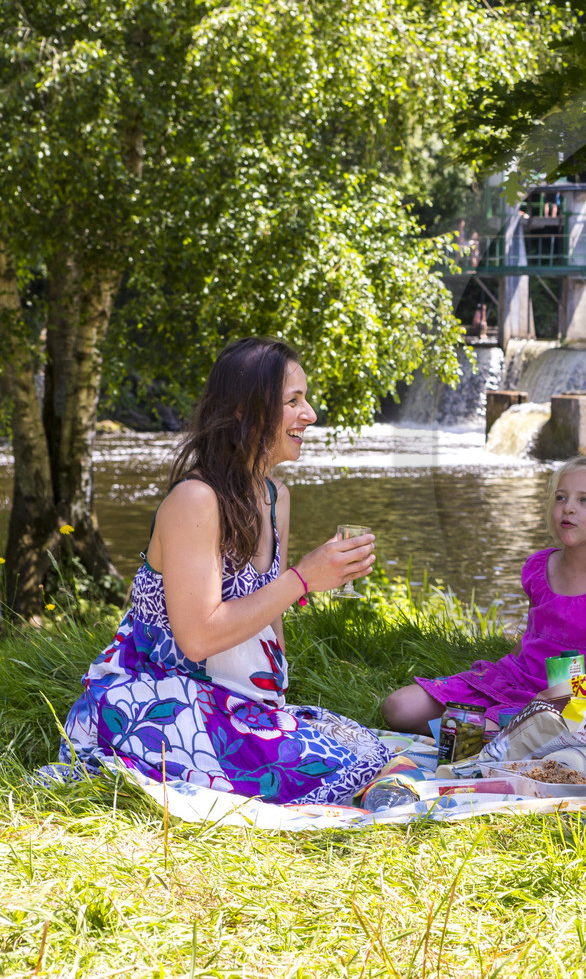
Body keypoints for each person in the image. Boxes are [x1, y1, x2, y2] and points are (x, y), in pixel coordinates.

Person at [57, 338, 390, 805]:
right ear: (243, 412)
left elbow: (269, 626)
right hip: (153, 693)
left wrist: (271, 704)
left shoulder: (275, 497)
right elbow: (197, 638)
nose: (310, 414)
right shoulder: (196, 500)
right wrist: (303, 580)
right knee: (305, 766)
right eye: (293, 401)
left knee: (353, 745)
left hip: (226, 698)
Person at [381, 458, 586, 741]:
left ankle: (480, 734)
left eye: (585, 500)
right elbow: (533, 633)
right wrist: (496, 679)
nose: (568, 507)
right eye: (561, 498)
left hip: (574, 699)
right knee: (398, 708)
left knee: (471, 733)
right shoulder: (539, 566)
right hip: (517, 679)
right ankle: (481, 731)